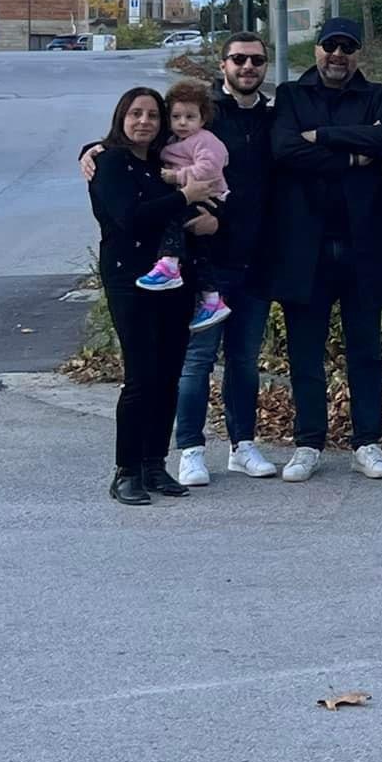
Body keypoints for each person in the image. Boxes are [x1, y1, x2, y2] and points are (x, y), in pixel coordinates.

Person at [269, 18, 382, 483]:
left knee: (365, 351)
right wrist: (351, 155)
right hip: (304, 245)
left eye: (348, 47)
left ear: (357, 53)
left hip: (362, 242)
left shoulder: (377, 95)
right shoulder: (290, 95)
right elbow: (285, 149)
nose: (338, 54)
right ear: (317, 49)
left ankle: (367, 441)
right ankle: (308, 442)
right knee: (306, 353)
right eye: (331, 46)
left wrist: (323, 137)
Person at [88, 87, 223, 504]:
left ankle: (154, 463)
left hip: (175, 280)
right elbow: (130, 219)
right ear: (121, 118)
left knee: (167, 375)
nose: (144, 121)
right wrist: (184, 197)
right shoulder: (109, 163)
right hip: (130, 279)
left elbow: (201, 202)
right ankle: (125, 470)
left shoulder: (162, 163)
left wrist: (208, 217)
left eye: (152, 115)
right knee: (141, 377)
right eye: (136, 114)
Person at [171, 33, 280, 484]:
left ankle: (243, 445)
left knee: (244, 360)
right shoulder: (203, 116)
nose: (248, 66)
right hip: (209, 262)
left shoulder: (276, 117)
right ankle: (190, 449)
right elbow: (140, 138)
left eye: (256, 60)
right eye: (239, 59)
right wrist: (93, 150)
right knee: (197, 360)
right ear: (223, 65)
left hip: (258, 259)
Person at [135, 80, 233, 336]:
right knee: (200, 252)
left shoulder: (205, 140)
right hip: (190, 195)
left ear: (203, 118)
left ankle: (169, 263)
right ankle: (212, 300)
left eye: (190, 117)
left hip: (207, 196)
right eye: (176, 116)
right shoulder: (171, 140)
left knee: (172, 218)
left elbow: (209, 169)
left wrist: (176, 177)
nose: (182, 122)